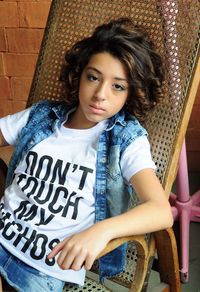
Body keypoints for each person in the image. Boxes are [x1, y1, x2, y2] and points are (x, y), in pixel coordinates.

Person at [0, 18, 173, 292]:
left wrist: (99, 232)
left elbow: (161, 210)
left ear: (131, 92)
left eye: (118, 86)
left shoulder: (125, 140)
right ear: (79, 75)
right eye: (93, 77)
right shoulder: (41, 116)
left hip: (40, 268)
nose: (100, 95)